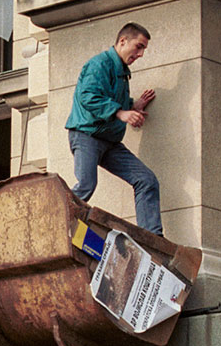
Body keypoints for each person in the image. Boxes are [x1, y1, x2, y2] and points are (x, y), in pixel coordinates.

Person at [65, 22, 163, 235]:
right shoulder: (99, 64)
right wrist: (121, 113)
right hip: (86, 136)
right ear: (122, 41)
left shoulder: (121, 71)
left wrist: (132, 106)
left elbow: (109, 97)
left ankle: (153, 238)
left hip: (109, 142)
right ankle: (56, 222)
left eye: (144, 49)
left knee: (146, 179)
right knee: (86, 185)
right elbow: (88, 97)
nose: (141, 54)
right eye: (139, 46)